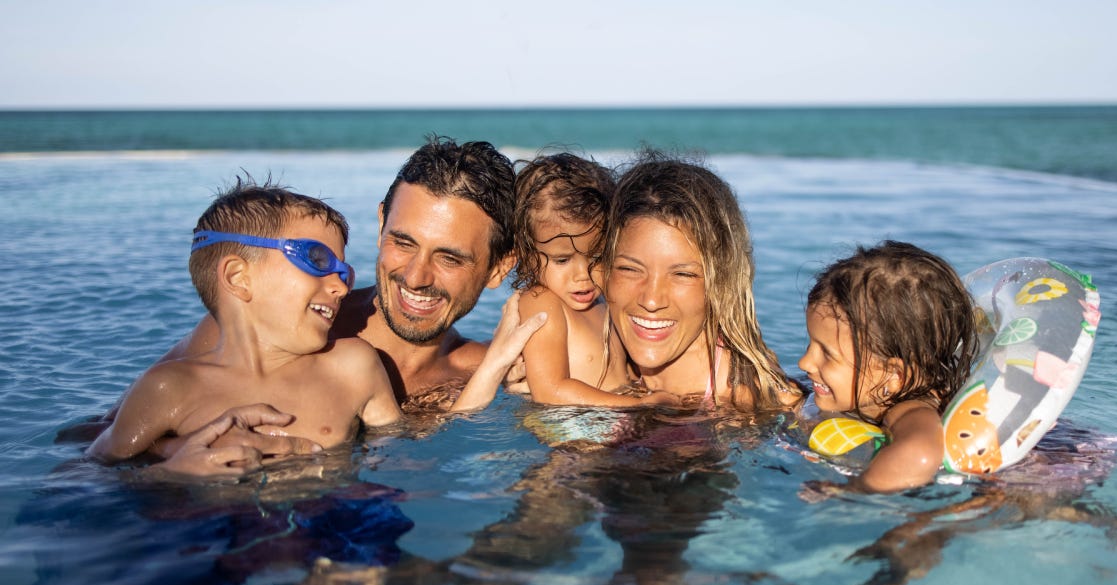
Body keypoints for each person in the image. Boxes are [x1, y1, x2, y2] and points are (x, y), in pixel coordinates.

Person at [132, 138, 546, 471]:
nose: (417, 277)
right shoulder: (273, 327)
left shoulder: (494, 376)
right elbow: (99, 439)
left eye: (449, 258)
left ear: (498, 269)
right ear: (382, 223)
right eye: (403, 243)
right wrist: (178, 453)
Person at [88, 181, 403, 465]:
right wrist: (169, 472)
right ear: (238, 278)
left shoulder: (353, 367)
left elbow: (398, 451)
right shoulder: (170, 388)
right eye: (318, 261)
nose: (342, 286)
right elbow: (90, 475)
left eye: (344, 272)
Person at [599, 152, 800, 412]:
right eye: (629, 269)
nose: (651, 300)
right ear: (601, 270)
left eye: (683, 274)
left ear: (722, 281)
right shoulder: (583, 354)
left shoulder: (742, 393)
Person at [799, 240, 979, 493]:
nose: (804, 362)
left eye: (827, 353)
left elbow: (921, 454)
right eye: (810, 344)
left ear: (893, 375)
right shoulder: (888, 393)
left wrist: (853, 490)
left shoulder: (911, 410)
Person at [510, 152, 674, 407]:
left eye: (597, 257)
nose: (583, 276)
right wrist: (638, 406)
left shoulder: (603, 303)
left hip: (612, 419)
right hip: (575, 434)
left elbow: (622, 372)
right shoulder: (541, 302)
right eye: (562, 260)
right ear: (527, 256)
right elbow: (550, 391)